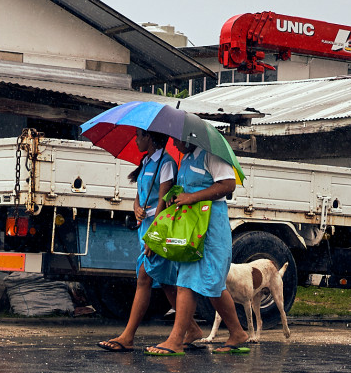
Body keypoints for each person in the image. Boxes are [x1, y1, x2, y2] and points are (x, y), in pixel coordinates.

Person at [145, 139, 249, 356]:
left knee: (210, 284)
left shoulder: (212, 155)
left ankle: (177, 339)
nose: (174, 143)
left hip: (210, 230)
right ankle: (236, 333)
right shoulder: (186, 159)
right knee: (190, 281)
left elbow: (228, 185)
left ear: (191, 136)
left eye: (177, 139)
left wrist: (192, 197)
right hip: (191, 229)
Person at [98, 129, 186, 352]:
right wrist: (136, 207)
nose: (136, 140)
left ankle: (128, 336)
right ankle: (192, 328)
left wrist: (154, 237)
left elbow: (163, 204)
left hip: (157, 228)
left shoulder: (166, 164)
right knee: (164, 280)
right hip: (143, 227)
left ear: (150, 138)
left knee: (145, 277)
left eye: (139, 136)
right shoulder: (146, 161)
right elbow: (140, 194)